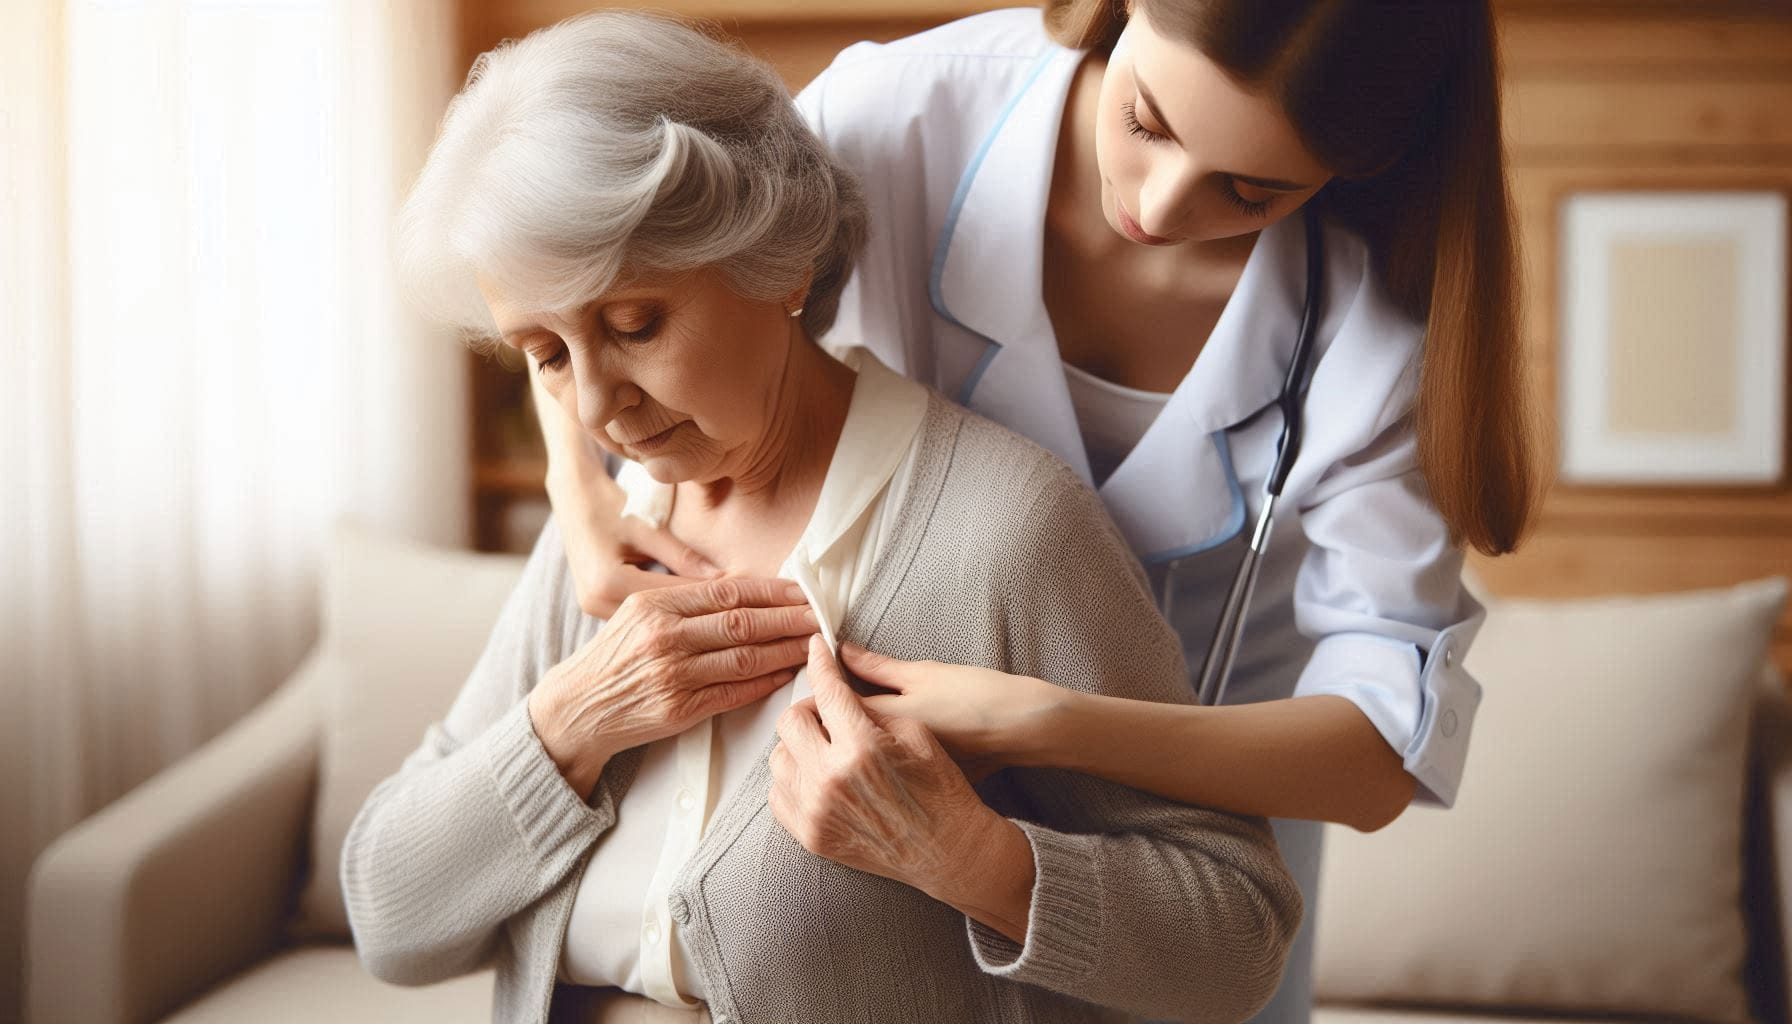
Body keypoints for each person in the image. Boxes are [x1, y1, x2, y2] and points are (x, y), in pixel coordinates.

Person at [531, 3, 1538, 1022]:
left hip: (1184, 840)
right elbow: (583, 256)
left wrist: (1041, 723)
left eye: (1251, 189)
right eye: (1147, 121)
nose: (1157, 201)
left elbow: (1373, 761)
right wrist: (574, 483)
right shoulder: (896, 113)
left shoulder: (1383, 325)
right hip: (874, 860)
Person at [342, 12, 1301, 1024]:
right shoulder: (603, 542)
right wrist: (572, 723)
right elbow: (391, 919)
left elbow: (1238, 940)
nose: (592, 406)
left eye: (634, 325)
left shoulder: (1003, 532)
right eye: (545, 352)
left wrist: (971, 858)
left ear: (778, 263)